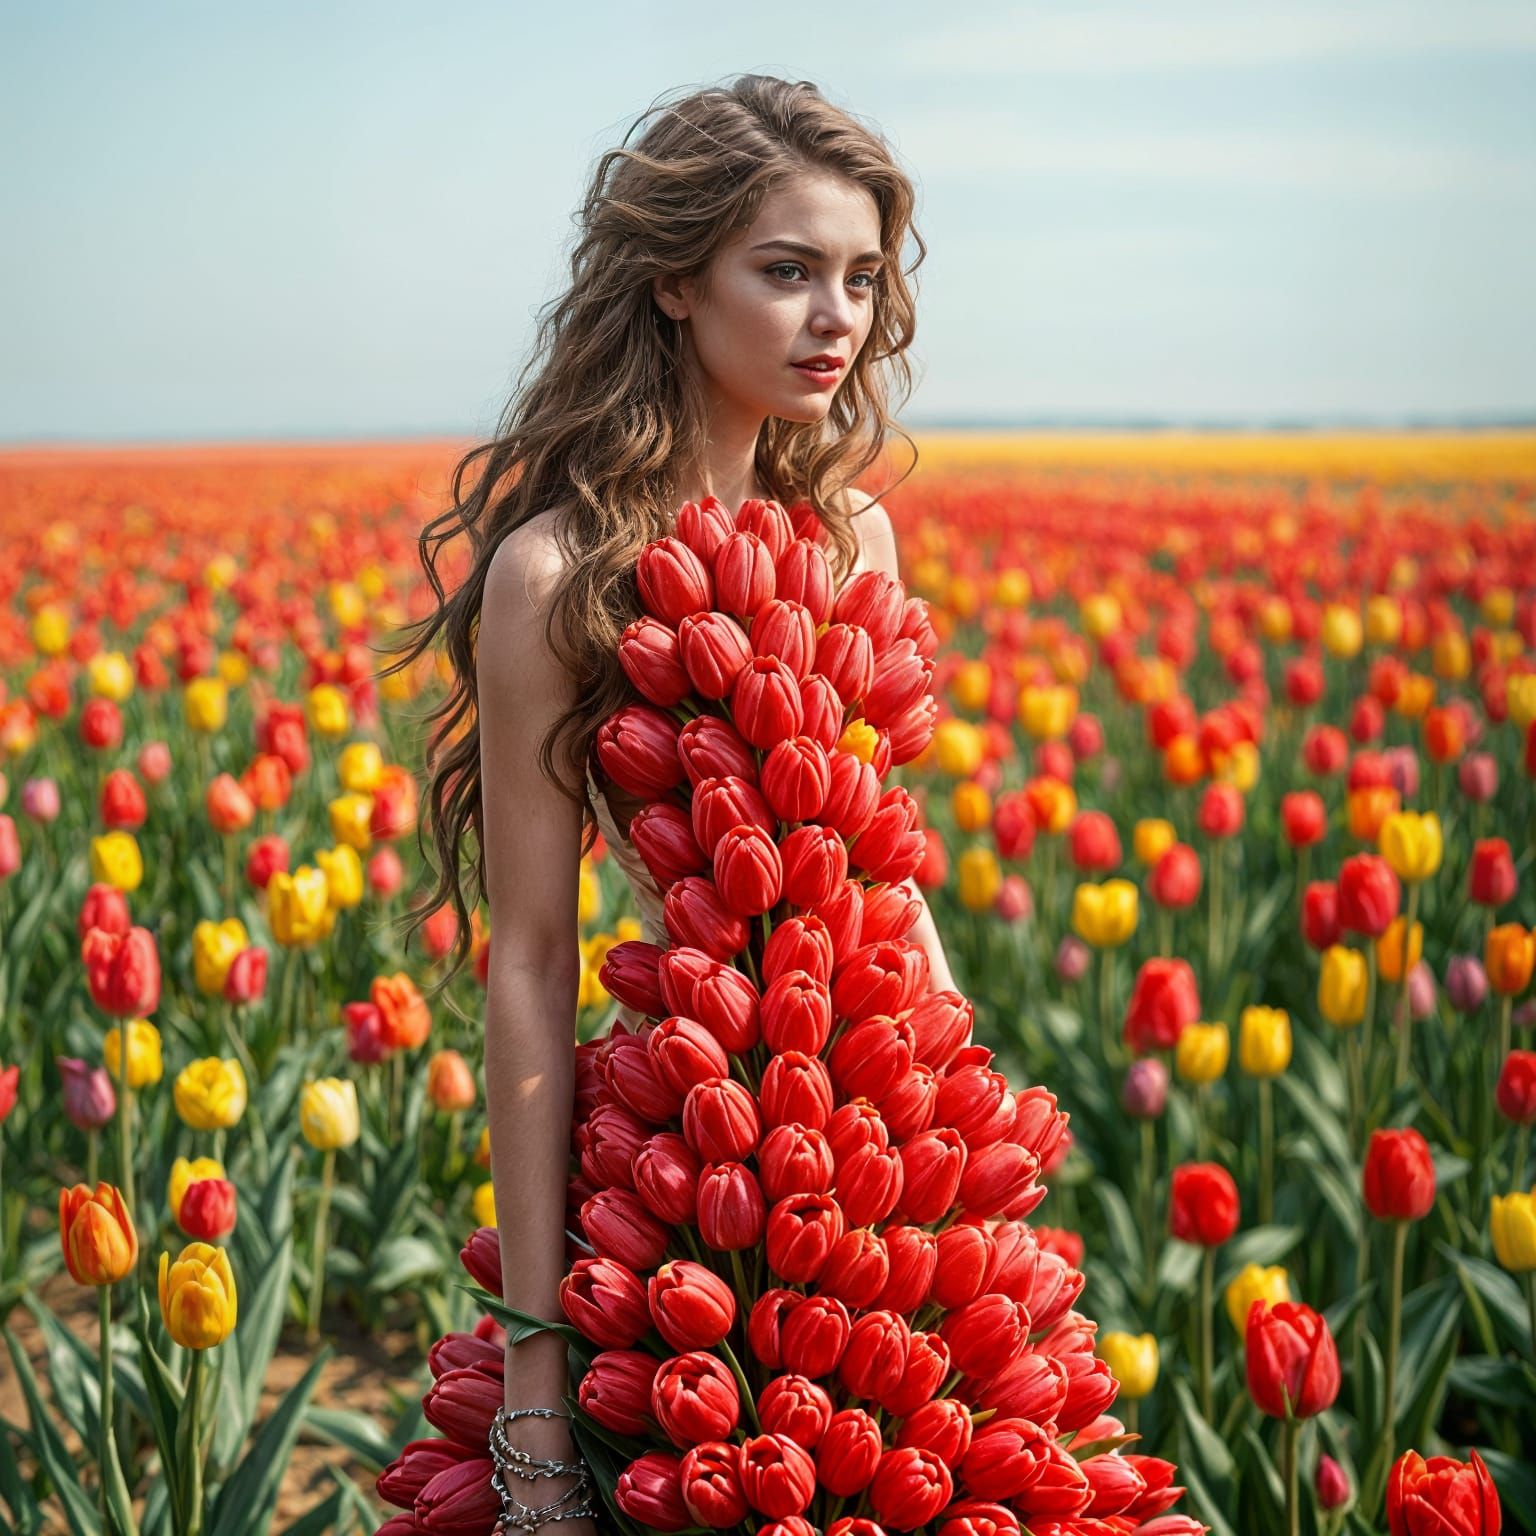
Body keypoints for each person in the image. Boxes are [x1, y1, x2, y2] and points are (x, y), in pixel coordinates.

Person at [386, 73, 952, 1533]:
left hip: (878, 1135)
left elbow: (892, 879)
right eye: (787, 272)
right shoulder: (557, 578)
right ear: (674, 285)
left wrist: (969, 1129)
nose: (835, 316)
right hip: (694, 1160)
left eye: (859, 279)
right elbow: (527, 964)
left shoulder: (854, 532)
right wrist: (529, 1380)